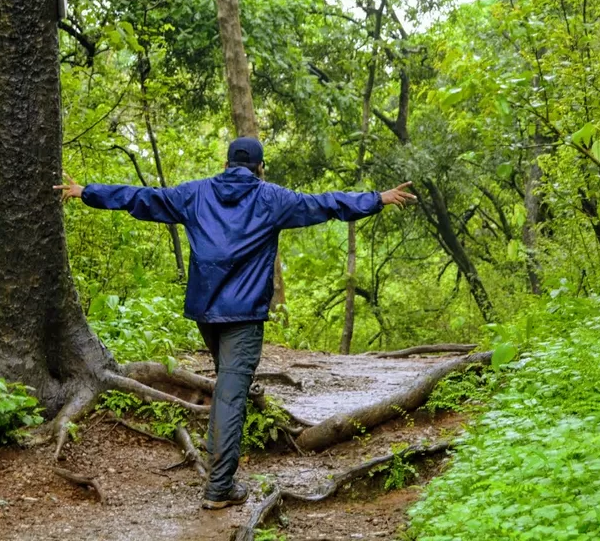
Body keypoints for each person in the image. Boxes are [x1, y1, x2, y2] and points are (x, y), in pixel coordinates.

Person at [55, 137, 416, 510]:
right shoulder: (272, 198)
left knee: (227, 388)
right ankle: (219, 487)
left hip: (207, 315)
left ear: (227, 163)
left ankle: (218, 468)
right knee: (230, 395)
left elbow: (143, 198)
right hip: (242, 317)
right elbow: (324, 204)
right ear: (259, 166)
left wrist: (87, 192)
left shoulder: (195, 194)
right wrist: (376, 198)